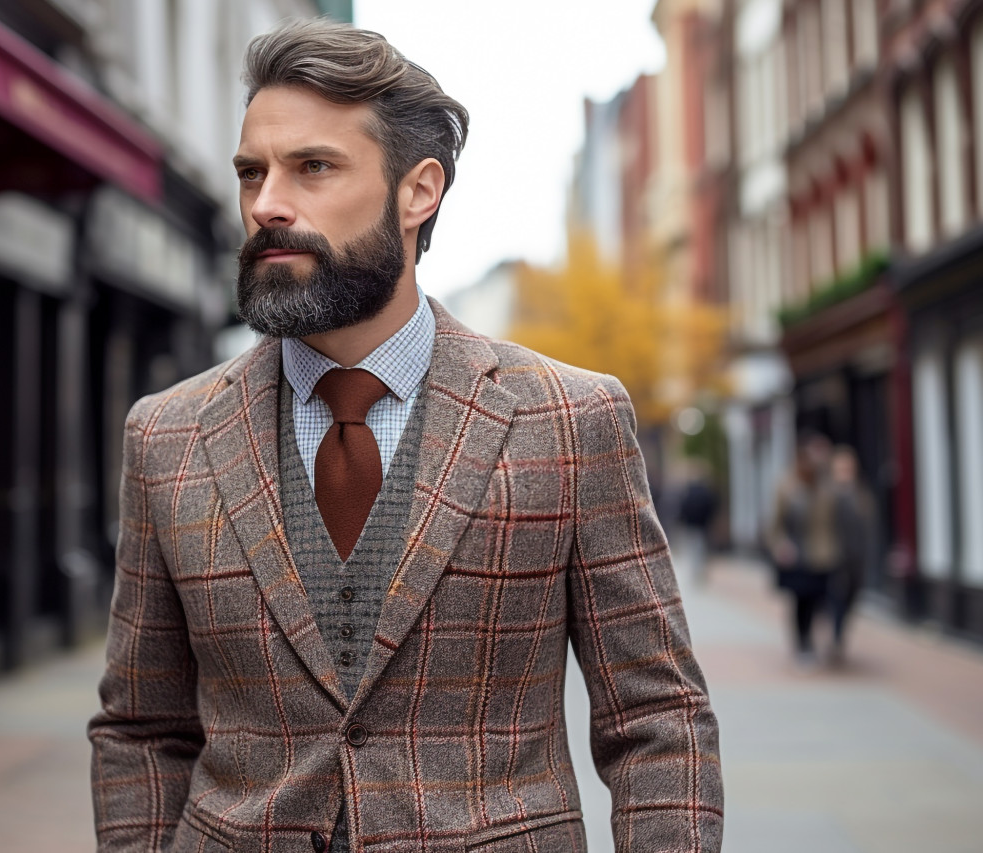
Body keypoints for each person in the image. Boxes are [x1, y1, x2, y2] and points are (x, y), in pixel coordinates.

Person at [88, 19, 722, 853]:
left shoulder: (570, 421)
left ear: (418, 191)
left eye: (313, 167)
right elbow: (141, 728)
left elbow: (657, 718)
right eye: (252, 172)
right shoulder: (166, 436)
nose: (266, 203)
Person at [766, 431, 839, 666]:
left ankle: (821, 642)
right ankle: (803, 643)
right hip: (797, 555)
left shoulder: (828, 485)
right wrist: (780, 545)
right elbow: (774, 524)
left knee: (821, 601)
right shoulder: (787, 486)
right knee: (801, 602)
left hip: (824, 555)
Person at [828, 445, 875, 663]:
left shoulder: (861, 494)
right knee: (836, 599)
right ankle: (836, 640)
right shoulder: (829, 494)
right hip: (835, 558)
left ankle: (839, 636)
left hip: (856, 558)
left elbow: (867, 526)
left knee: (850, 600)